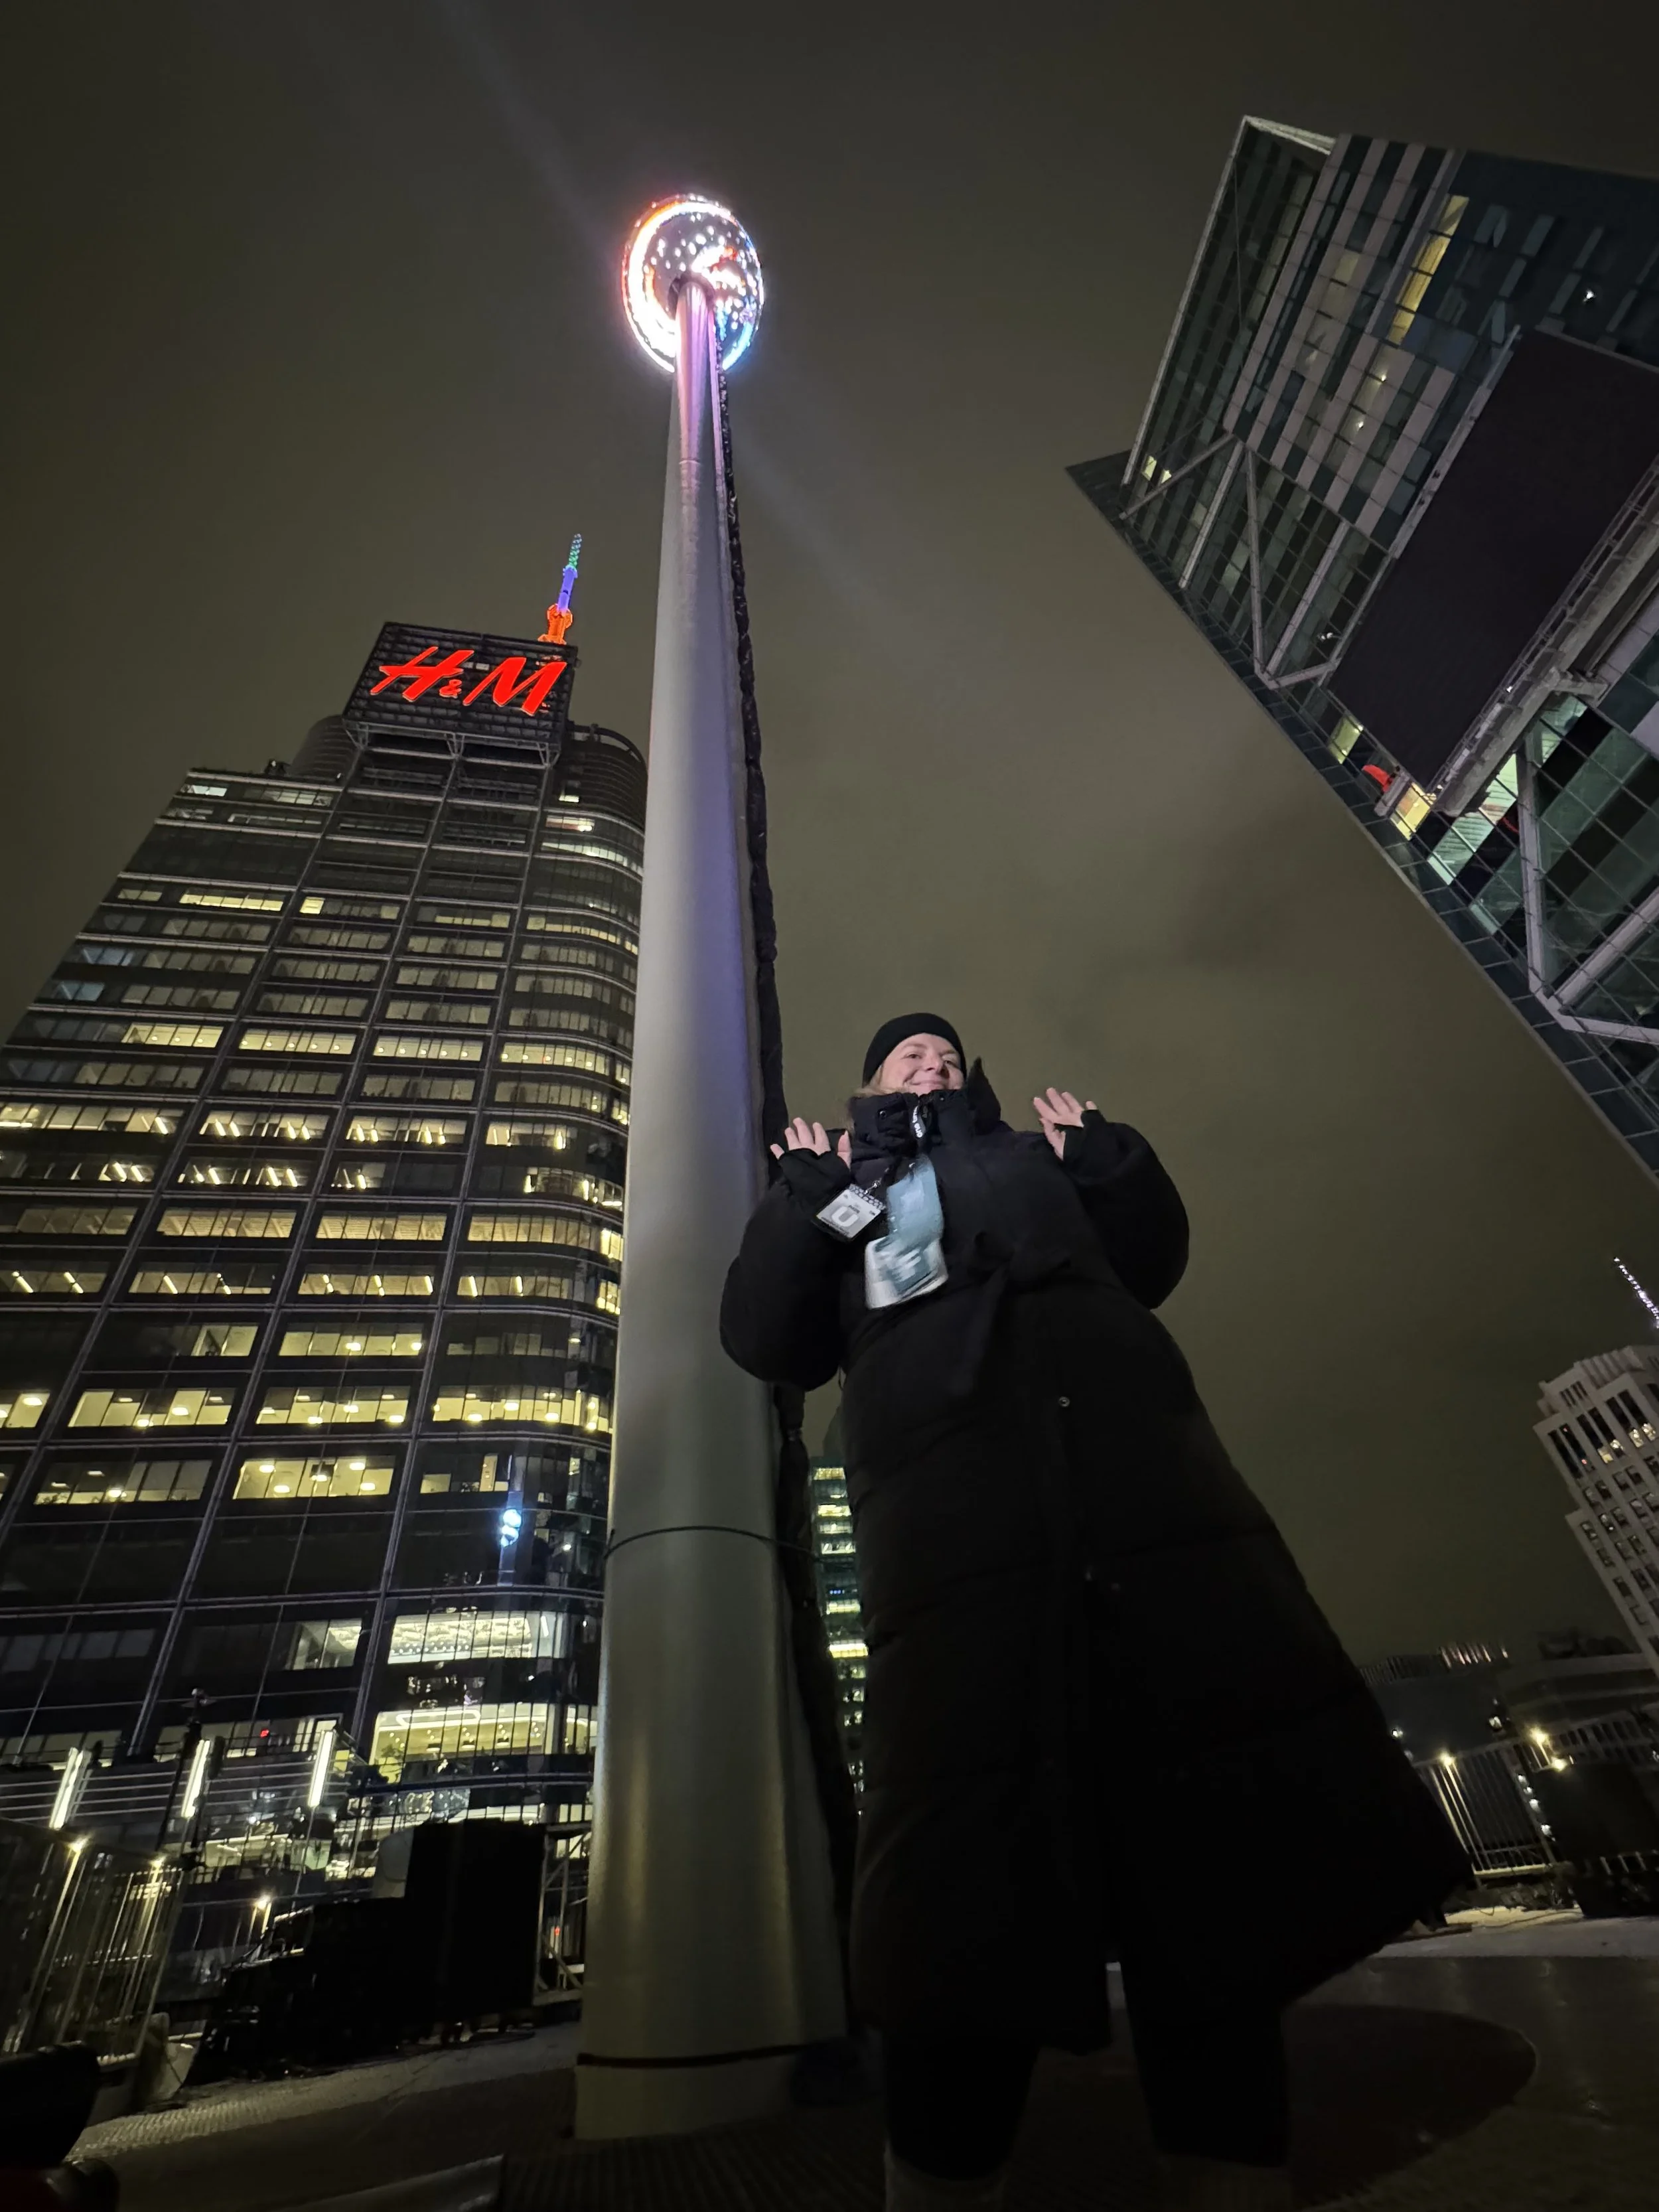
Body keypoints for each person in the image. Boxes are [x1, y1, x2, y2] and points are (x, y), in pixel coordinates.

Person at [720, 1017, 1467, 2212]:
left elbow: (1152, 1260)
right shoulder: (852, 1185)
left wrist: (1110, 1161)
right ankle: (940, 2180)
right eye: (907, 1052)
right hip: (952, 1522)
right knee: (963, 1882)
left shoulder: (1033, 1152)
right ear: (867, 1085)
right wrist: (805, 1192)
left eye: (946, 1050)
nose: (931, 1059)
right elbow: (771, 1338)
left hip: (1147, 1489)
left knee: (1210, 1867)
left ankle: (1228, 2176)